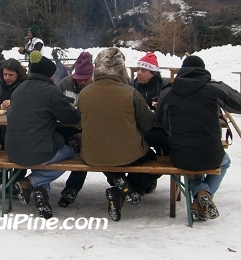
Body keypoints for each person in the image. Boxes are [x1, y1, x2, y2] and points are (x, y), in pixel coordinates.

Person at [156, 55, 241, 221]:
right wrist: (221, 85)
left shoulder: (169, 91)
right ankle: (203, 195)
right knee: (224, 162)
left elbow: (161, 122)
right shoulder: (213, 89)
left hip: (180, 155)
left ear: (182, 72)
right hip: (211, 154)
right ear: (204, 71)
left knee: (193, 166)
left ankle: (201, 195)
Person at [76, 47, 156, 222]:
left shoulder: (84, 93)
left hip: (92, 155)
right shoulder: (130, 93)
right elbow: (147, 125)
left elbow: (79, 121)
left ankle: (116, 180)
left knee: (103, 153)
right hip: (128, 154)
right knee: (152, 157)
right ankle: (129, 185)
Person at [6, 51, 80, 219]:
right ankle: (30, 182)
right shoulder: (50, 91)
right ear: (49, 74)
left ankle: (41, 194)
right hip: (37, 151)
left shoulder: (18, 89)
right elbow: (72, 117)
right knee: (71, 155)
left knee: (42, 155)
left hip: (13, 151)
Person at [56, 51, 93, 208]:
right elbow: (54, 102)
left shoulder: (97, 88)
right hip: (66, 128)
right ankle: (37, 182)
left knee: (85, 152)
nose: (82, 82)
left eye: (86, 78)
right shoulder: (65, 84)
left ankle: (72, 188)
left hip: (90, 131)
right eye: (80, 79)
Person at [131, 51, 170, 192]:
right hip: (137, 130)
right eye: (138, 69)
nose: (139, 73)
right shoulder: (132, 85)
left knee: (169, 155)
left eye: (143, 70)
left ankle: (144, 182)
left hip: (158, 130)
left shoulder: (164, 87)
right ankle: (136, 183)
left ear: (153, 73)